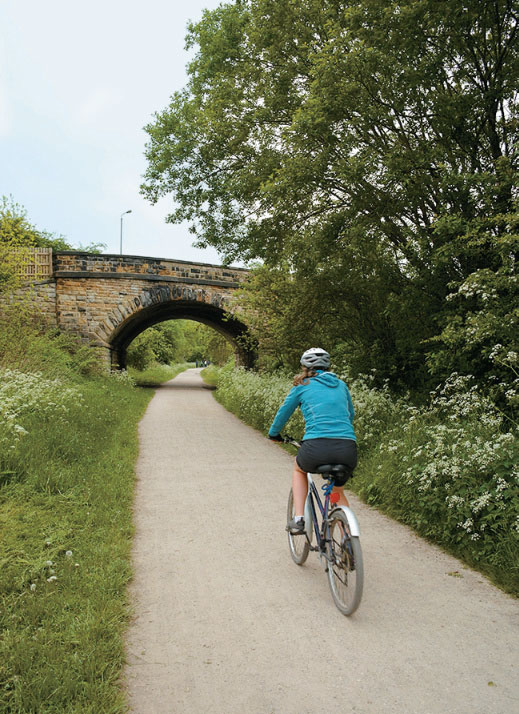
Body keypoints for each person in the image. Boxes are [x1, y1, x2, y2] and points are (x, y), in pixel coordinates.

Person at [268, 348, 357, 534]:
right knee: (337, 492)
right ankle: (348, 543)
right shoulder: (341, 385)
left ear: (305, 367)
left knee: (299, 468)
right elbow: (351, 415)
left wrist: (274, 434)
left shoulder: (302, 386)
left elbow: (283, 414)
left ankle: (299, 519)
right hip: (347, 448)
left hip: (316, 447)